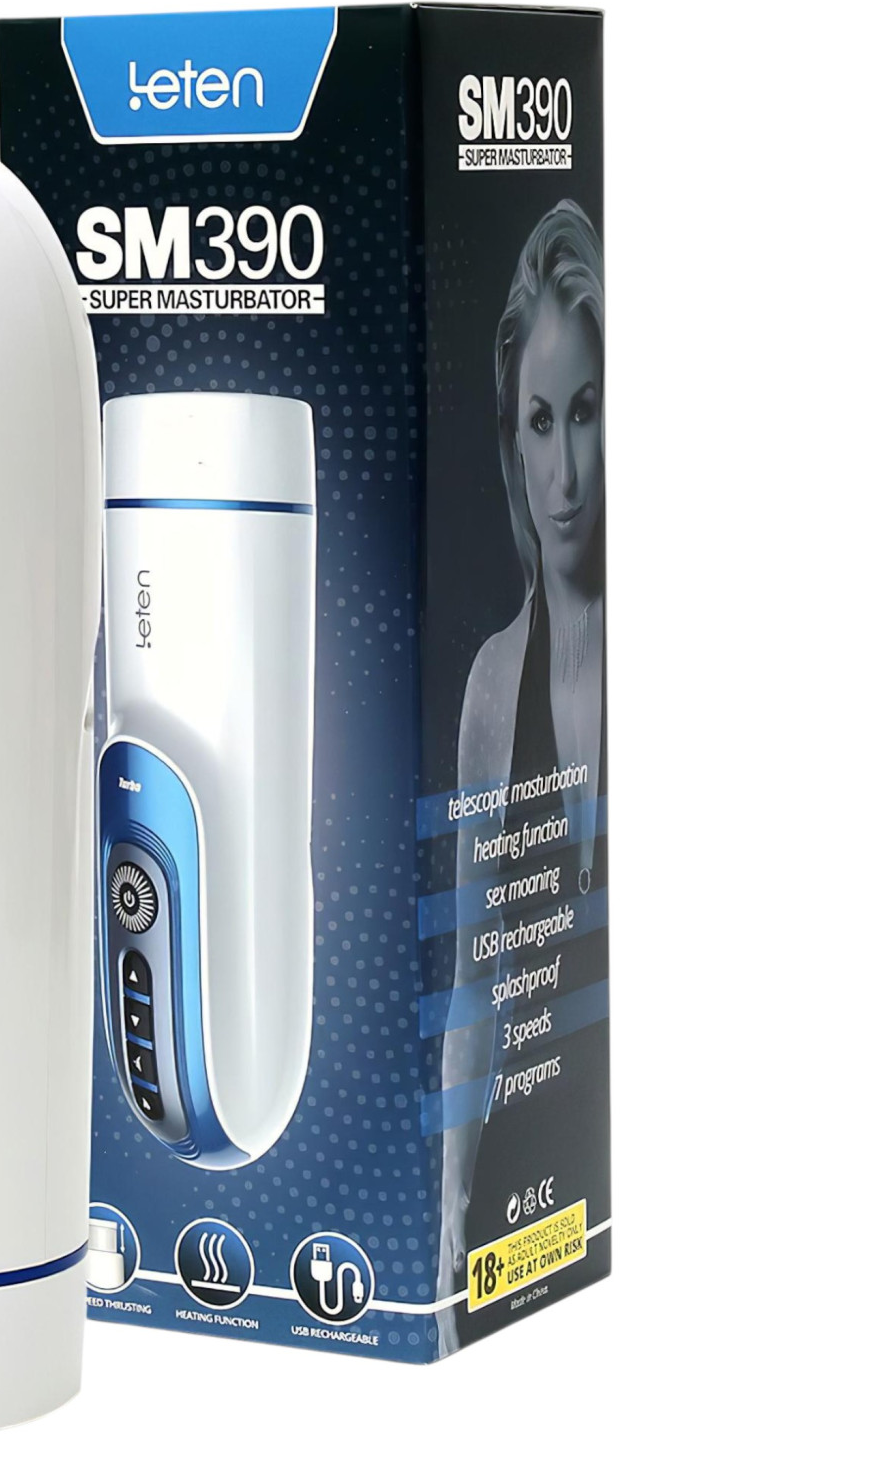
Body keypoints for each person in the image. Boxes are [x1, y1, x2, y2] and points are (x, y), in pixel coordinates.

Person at [437, 201, 605, 1352]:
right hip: (510, 1202)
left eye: (587, 411)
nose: (566, 471)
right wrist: (449, 1217)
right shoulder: (496, 683)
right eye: (540, 423)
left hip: (609, 1168)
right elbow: (474, 988)